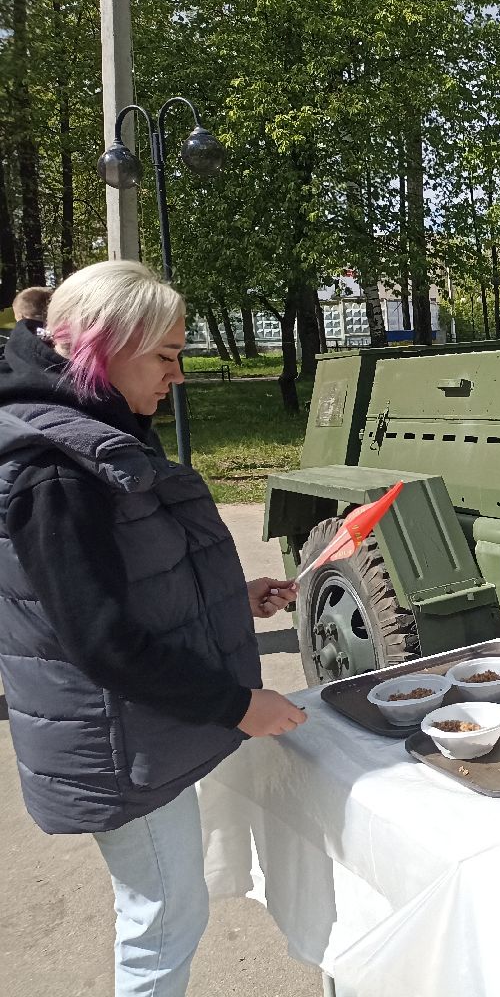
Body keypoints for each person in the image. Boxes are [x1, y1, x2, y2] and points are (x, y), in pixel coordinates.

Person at [0, 260, 306, 997]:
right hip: (115, 743)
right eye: (165, 355)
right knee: (163, 918)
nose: (178, 375)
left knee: (161, 910)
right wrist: (239, 705)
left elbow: (117, 585)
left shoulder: (86, 429)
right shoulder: (58, 468)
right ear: (103, 347)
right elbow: (102, 639)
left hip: (128, 730)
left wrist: (231, 598)